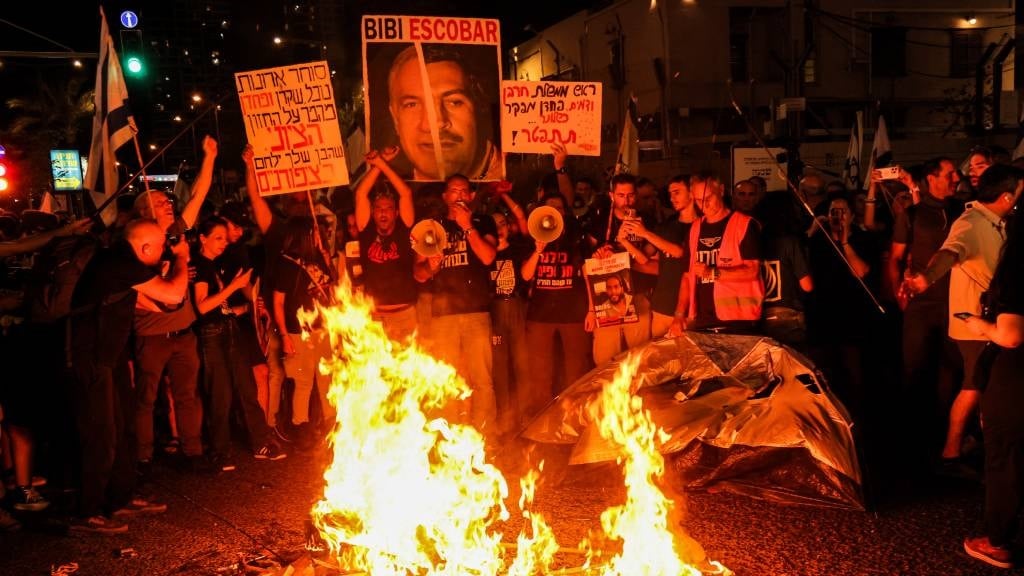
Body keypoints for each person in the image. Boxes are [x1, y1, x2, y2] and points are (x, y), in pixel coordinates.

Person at [905, 164, 1022, 476]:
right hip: (974, 324)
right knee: (975, 386)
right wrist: (926, 277)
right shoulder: (971, 222)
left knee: (978, 385)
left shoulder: (995, 221)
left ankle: (968, 447)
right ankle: (952, 451)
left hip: (988, 322)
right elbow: (949, 253)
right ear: (1008, 196)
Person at [68, 219, 184, 533]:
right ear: (144, 247)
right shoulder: (119, 262)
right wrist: (183, 258)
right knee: (102, 435)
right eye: (160, 246)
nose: (165, 250)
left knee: (123, 428)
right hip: (92, 358)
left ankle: (119, 499)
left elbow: (160, 302)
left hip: (112, 356)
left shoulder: (123, 260)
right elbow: (173, 295)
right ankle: (87, 513)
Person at [960, 190, 1024, 569]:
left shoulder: (1019, 262)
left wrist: (981, 324)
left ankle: (997, 540)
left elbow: (1013, 334)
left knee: (1007, 458)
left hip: (1016, 376)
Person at [413, 174, 498, 433]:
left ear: (471, 196)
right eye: (453, 191)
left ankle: (485, 436)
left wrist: (467, 226)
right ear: (445, 196)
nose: (459, 195)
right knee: (448, 378)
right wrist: (431, 266)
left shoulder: (483, 223)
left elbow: (487, 257)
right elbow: (418, 274)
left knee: (482, 379)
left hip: (476, 314)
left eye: (464, 191)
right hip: (443, 316)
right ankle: (451, 437)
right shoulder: (432, 227)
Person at [386, 44, 502, 181]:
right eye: (412, 104)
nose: (435, 124)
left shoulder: (518, 178)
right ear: (395, 119)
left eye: (454, 102)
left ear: (479, 106)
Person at [353, 147, 418, 342]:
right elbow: (361, 194)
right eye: (379, 209)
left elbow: (405, 193)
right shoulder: (366, 229)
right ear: (373, 212)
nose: (383, 213)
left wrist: (382, 164)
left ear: (396, 213)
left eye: (389, 208)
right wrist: (379, 164)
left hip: (404, 313)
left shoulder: (404, 228)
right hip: (374, 316)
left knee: (407, 370)